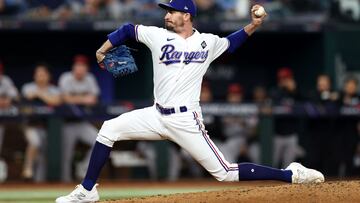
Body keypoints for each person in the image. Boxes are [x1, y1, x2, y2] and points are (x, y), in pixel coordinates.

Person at [56, 1, 324, 202]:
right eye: (166, 11)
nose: (166, 15)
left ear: (186, 15)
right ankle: (87, 190)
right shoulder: (158, 35)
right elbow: (128, 29)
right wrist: (103, 50)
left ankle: (291, 174)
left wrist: (254, 25)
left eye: (171, 11)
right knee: (108, 129)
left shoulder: (207, 42)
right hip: (156, 114)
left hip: (186, 120)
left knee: (225, 173)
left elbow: (231, 43)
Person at [58, 55, 100, 182]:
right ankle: (63, 181)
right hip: (67, 123)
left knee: (99, 140)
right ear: (74, 67)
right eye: (78, 66)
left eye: (83, 66)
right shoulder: (66, 78)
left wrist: (74, 98)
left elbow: (93, 99)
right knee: (66, 155)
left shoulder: (89, 79)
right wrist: (83, 98)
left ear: (86, 68)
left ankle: (83, 168)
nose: (80, 69)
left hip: (82, 123)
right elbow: (65, 98)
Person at [21, 63, 62, 181]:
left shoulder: (54, 89)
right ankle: (27, 169)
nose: (40, 77)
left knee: (44, 154)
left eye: (43, 74)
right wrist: (45, 96)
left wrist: (39, 94)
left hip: (47, 126)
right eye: (38, 74)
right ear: (34, 76)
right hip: (30, 124)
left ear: (48, 76)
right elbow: (26, 97)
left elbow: (57, 101)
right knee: (35, 142)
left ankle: (39, 181)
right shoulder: (28, 87)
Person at [270, 67, 303, 169]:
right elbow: (273, 100)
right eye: (282, 78)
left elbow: (304, 102)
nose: (284, 81)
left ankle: (286, 185)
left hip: (291, 134)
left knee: (289, 166)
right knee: (273, 164)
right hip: (277, 134)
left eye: (286, 78)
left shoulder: (296, 92)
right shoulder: (275, 91)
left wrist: (293, 91)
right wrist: (282, 89)